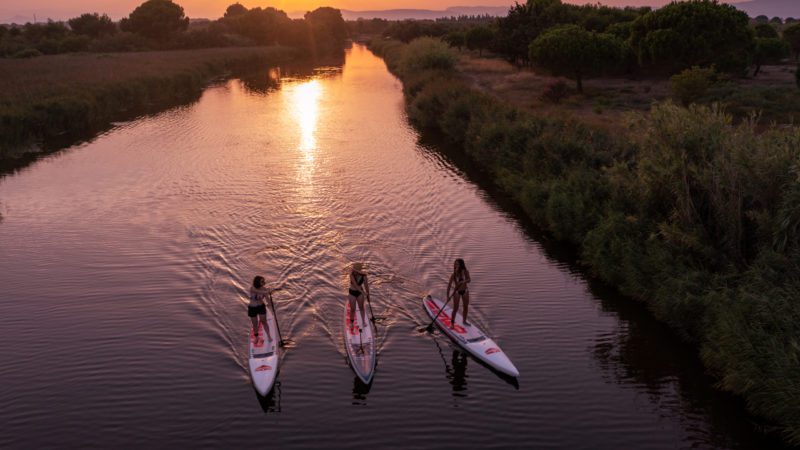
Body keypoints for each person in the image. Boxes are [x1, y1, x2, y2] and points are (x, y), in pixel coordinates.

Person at [447, 258, 471, 327]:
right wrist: (448, 296)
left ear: (461, 265)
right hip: (457, 292)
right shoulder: (453, 275)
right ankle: (452, 323)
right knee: (455, 308)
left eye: (457, 264)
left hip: (465, 291)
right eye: (455, 264)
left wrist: (463, 281)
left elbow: (469, 280)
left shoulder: (466, 272)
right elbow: (449, 285)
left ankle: (464, 321)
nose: (455, 265)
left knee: (466, 307)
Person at [248, 275, 274, 343]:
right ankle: (256, 337)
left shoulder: (264, 289)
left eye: (263, 281)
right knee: (255, 324)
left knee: (264, 321)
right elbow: (261, 292)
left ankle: (269, 336)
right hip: (252, 308)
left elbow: (267, 299)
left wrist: (270, 305)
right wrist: (267, 292)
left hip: (261, 307)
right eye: (262, 281)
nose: (264, 282)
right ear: (257, 282)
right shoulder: (252, 288)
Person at [348, 262, 370, 332]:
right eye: (354, 269)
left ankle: (363, 322)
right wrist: (363, 293)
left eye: (355, 269)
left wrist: (368, 295)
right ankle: (351, 323)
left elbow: (366, 286)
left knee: (361, 308)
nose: (354, 270)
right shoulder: (351, 274)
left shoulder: (364, 276)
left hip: (360, 293)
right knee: (353, 309)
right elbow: (356, 286)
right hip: (352, 292)